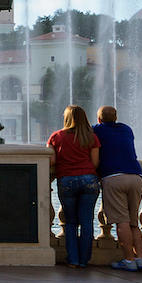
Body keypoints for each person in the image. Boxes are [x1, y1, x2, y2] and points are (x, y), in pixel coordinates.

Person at [47, 104, 101, 269]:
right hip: (89, 180)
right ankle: (84, 260)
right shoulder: (91, 137)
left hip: (67, 180)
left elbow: (51, 161)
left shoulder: (56, 137)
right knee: (86, 222)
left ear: (66, 118)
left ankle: (74, 260)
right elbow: (95, 162)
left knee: (70, 223)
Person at [93, 105, 142, 271]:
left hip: (114, 177)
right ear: (116, 117)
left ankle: (129, 260)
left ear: (99, 119)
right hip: (136, 176)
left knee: (122, 222)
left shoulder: (97, 130)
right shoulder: (127, 129)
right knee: (134, 222)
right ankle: (139, 259)